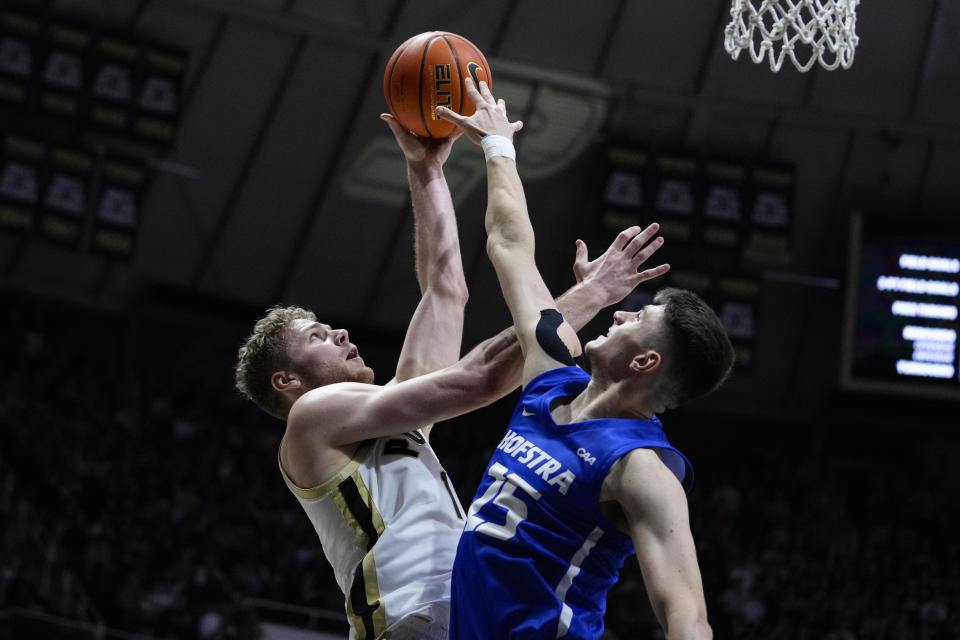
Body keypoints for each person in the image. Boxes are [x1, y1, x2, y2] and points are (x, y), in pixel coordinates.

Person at [234, 113, 671, 640]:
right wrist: (589, 297)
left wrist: (427, 170)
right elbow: (480, 377)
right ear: (287, 382)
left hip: (462, 623)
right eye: (318, 337)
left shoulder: (392, 418)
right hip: (406, 625)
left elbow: (445, 288)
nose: (342, 334)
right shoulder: (311, 419)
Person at [436, 80, 735, 640]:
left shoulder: (643, 467)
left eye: (635, 320)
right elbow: (509, 248)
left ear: (645, 363)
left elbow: (688, 616)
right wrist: (499, 148)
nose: (619, 315)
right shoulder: (551, 378)